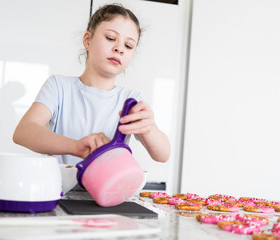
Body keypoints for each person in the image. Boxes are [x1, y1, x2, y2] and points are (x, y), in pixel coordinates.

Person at [13, 3, 170, 165]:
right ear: (87, 41)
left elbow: (163, 155)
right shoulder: (59, 87)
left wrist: (149, 128)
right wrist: (75, 146)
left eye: (128, 46)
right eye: (110, 38)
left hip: (108, 190)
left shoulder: (131, 100)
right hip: (58, 189)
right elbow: (23, 132)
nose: (119, 49)